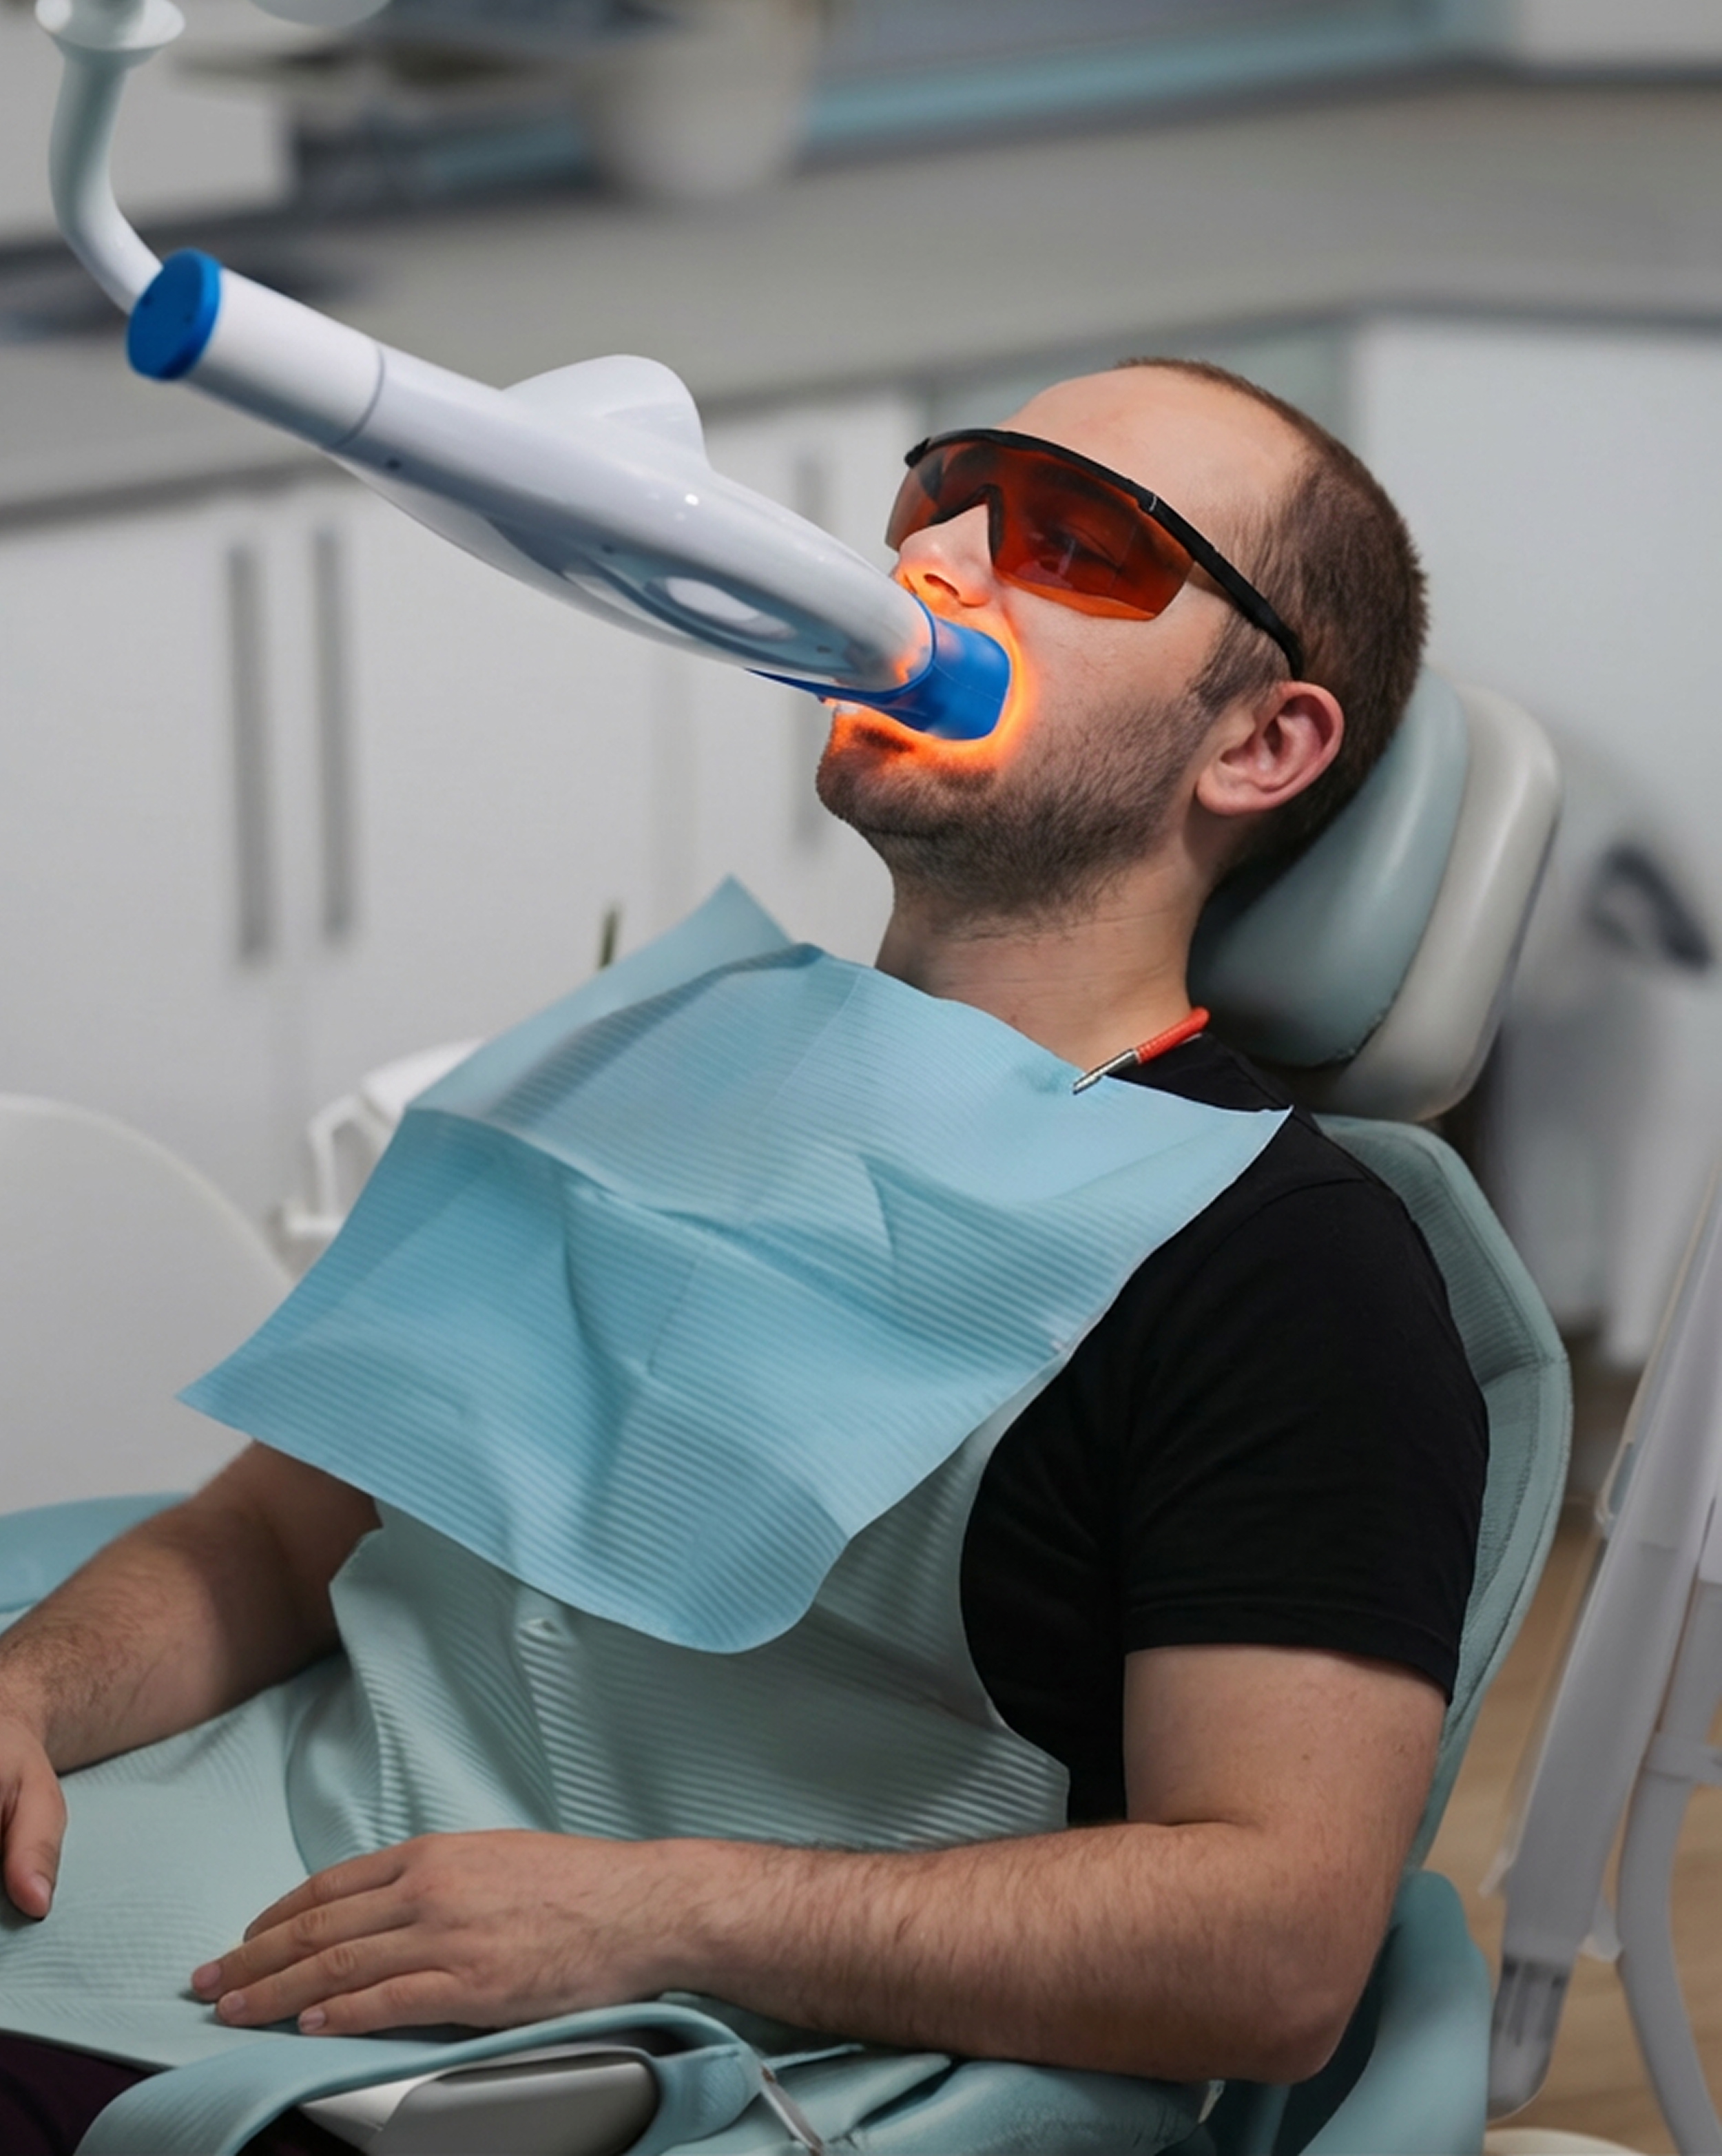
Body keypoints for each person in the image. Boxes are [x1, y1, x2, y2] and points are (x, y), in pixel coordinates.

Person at [0, 357, 1484, 2153]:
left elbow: (1271, 1948)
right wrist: (26, 1689)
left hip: (596, 2050)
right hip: (219, 1875)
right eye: (944, 493)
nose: (932, 554)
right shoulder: (650, 1061)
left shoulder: (1282, 1275)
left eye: (1076, 543)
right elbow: (269, 1535)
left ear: (1258, 742)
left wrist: (653, 1911)